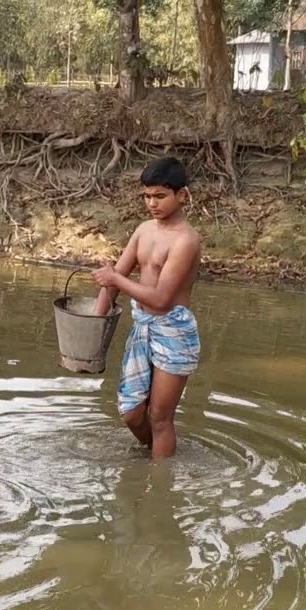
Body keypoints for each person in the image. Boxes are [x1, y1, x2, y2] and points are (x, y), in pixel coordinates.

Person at [91, 156, 202, 459]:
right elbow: (114, 282)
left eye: (161, 196)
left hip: (173, 331)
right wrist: (95, 326)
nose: (152, 203)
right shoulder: (143, 230)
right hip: (144, 326)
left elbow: (161, 299)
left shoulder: (186, 240)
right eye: (147, 196)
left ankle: (160, 485)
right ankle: (155, 454)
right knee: (131, 413)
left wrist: (114, 276)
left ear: (182, 195)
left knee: (160, 418)